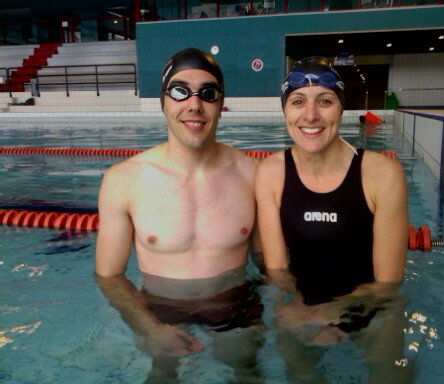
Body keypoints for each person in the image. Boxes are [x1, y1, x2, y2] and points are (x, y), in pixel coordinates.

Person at [95, 48, 262, 381]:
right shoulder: (124, 179)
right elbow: (109, 276)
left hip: (234, 303)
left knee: (245, 368)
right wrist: (149, 328)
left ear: (220, 103)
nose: (194, 105)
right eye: (179, 90)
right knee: (162, 374)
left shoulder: (253, 174)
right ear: (164, 100)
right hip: (160, 309)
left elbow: (270, 266)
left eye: (208, 93)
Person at [255, 56, 410, 382]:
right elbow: (278, 270)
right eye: (297, 102)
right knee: (300, 373)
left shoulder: (382, 174)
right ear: (285, 112)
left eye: (324, 101)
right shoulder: (270, 172)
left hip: (371, 307)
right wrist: (299, 310)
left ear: (341, 109)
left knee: (389, 375)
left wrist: (328, 313)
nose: (310, 115)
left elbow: (388, 284)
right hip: (300, 305)